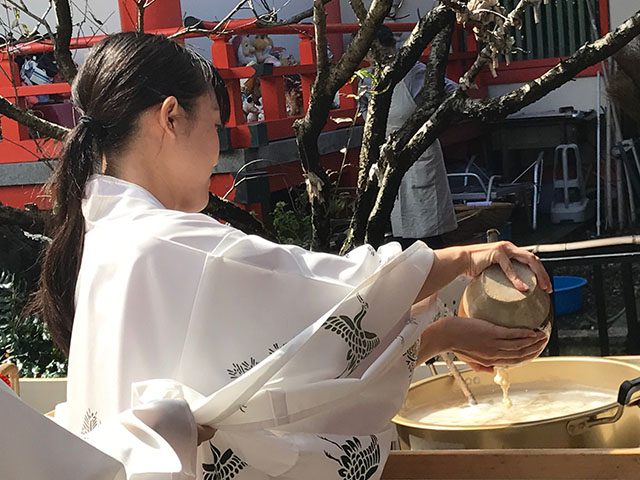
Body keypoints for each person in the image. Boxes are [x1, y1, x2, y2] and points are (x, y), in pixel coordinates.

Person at [33, 32, 551, 480]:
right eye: (215, 125)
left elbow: (265, 388)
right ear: (171, 117)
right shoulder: (164, 243)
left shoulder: (108, 236)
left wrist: (437, 336)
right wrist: (465, 261)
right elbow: (335, 295)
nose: (217, 152)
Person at [369, 26, 458, 250]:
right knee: (397, 230)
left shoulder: (413, 71)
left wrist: (432, 122)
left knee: (428, 233)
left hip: (419, 151)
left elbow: (454, 91)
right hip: (389, 152)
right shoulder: (372, 77)